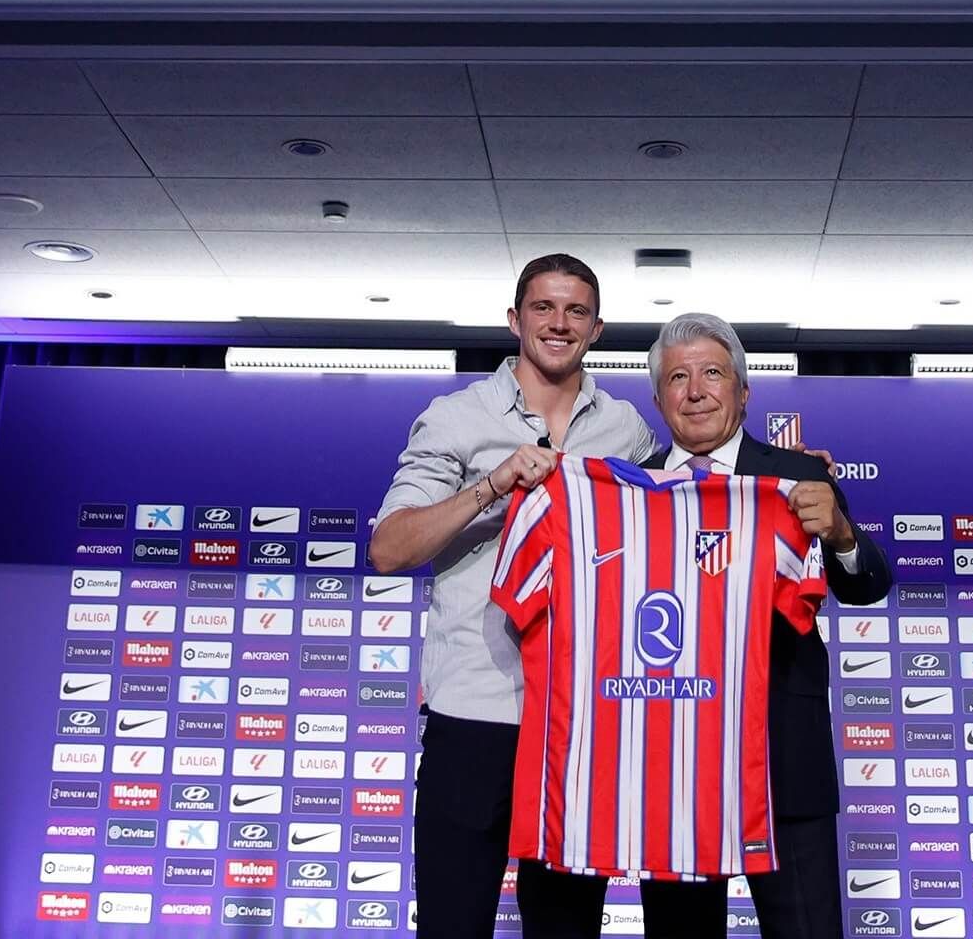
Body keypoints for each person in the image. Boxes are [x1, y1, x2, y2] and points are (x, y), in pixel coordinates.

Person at [369, 254, 657, 939]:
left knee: (567, 928)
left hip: (580, 721)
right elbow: (389, 549)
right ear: (514, 319)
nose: (559, 323)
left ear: (597, 328)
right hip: (474, 710)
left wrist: (789, 474)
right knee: (453, 921)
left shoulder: (627, 432)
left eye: (575, 311)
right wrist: (490, 485)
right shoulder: (455, 418)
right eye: (543, 308)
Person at [637, 312, 892, 939]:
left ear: (744, 392)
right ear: (658, 398)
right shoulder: (628, 486)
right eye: (677, 377)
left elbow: (867, 586)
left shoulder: (800, 475)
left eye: (713, 373)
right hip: (673, 766)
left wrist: (839, 532)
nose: (695, 390)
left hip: (785, 760)